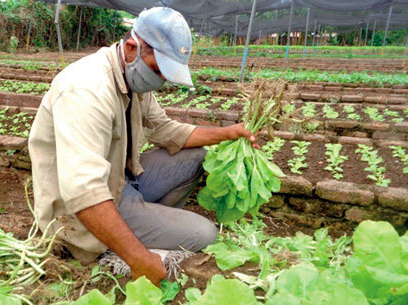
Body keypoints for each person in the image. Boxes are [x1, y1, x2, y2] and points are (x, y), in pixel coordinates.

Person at [28, 7, 257, 286]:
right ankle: (117, 238)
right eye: (158, 70)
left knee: (197, 157)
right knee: (204, 233)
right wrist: (138, 258)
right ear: (132, 47)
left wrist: (228, 133)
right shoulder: (86, 90)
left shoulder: (131, 76)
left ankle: (138, 224)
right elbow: (84, 191)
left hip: (122, 182)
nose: (160, 81)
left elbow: (166, 130)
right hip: (80, 209)